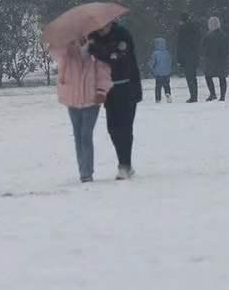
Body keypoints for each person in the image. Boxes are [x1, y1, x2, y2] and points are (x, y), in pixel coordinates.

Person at [55, 36, 112, 182]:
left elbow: (104, 72)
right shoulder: (67, 52)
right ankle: (83, 170)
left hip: (92, 100)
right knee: (78, 136)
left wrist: (101, 91)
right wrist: (65, 44)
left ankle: (86, 172)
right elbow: (58, 57)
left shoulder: (96, 51)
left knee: (86, 135)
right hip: (72, 100)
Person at [92, 21, 142, 179]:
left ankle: (125, 165)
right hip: (109, 90)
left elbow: (118, 57)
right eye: (98, 28)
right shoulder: (93, 38)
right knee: (112, 128)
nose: (101, 30)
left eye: (104, 26)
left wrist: (103, 52)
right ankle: (124, 162)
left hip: (127, 87)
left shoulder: (122, 34)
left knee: (125, 128)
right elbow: (100, 55)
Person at [174, 13, 202, 103]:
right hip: (194, 55)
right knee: (193, 77)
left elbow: (180, 45)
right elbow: (198, 41)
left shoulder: (182, 30)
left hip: (186, 56)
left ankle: (193, 96)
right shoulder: (195, 28)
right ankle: (195, 95)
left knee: (189, 77)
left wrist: (179, 59)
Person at [204, 16, 229, 103]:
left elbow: (205, 47)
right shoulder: (223, 35)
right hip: (222, 59)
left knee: (208, 76)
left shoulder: (208, 35)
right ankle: (222, 96)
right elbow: (226, 47)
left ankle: (212, 93)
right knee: (222, 78)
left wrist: (205, 54)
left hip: (211, 59)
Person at [149, 35, 173, 102]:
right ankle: (168, 94)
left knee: (158, 86)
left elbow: (152, 62)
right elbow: (170, 62)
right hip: (166, 72)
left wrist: (151, 67)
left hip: (158, 73)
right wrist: (169, 69)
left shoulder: (155, 53)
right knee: (167, 85)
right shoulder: (167, 52)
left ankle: (158, 98)